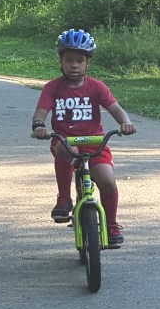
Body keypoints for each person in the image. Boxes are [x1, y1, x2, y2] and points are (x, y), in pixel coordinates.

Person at [31, 29, 136, 249]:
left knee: (107, 180)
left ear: (88, 63)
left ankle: (111, 225)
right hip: (65, 141)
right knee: (66, 147)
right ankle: (64, 199)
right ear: (60, 60)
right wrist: (39, 125)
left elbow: (114, 107)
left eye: (80, 60)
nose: (74, 65)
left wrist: (124, 122)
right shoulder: (52, 88)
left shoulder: (96, 87)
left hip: (95, 142)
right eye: (68, 60)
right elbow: (41, 110)